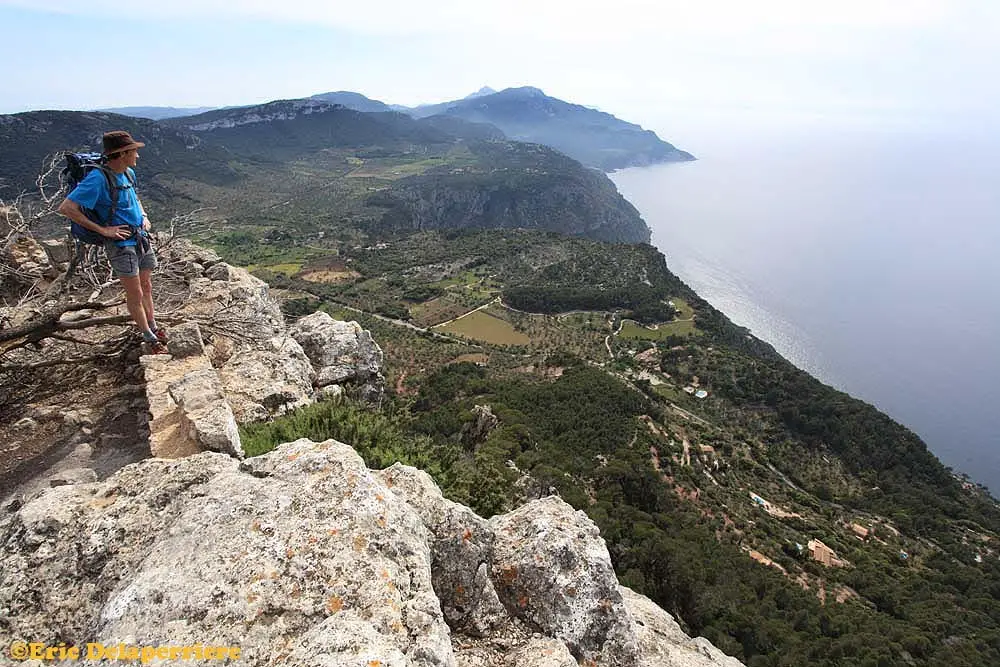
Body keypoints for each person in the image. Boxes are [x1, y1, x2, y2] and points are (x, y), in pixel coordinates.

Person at [57, 131, 168, 353]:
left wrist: (144, 216)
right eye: (134, 151)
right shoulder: (98, 179)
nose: (137, 155)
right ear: (122, 153)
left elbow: (135, 197)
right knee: (134, 293)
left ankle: (154, 326)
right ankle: (148, 337)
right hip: (121, 245)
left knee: (146, 286)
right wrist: (103, 230)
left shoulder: (128, 173)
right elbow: (66, 208)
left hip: (140, 238)